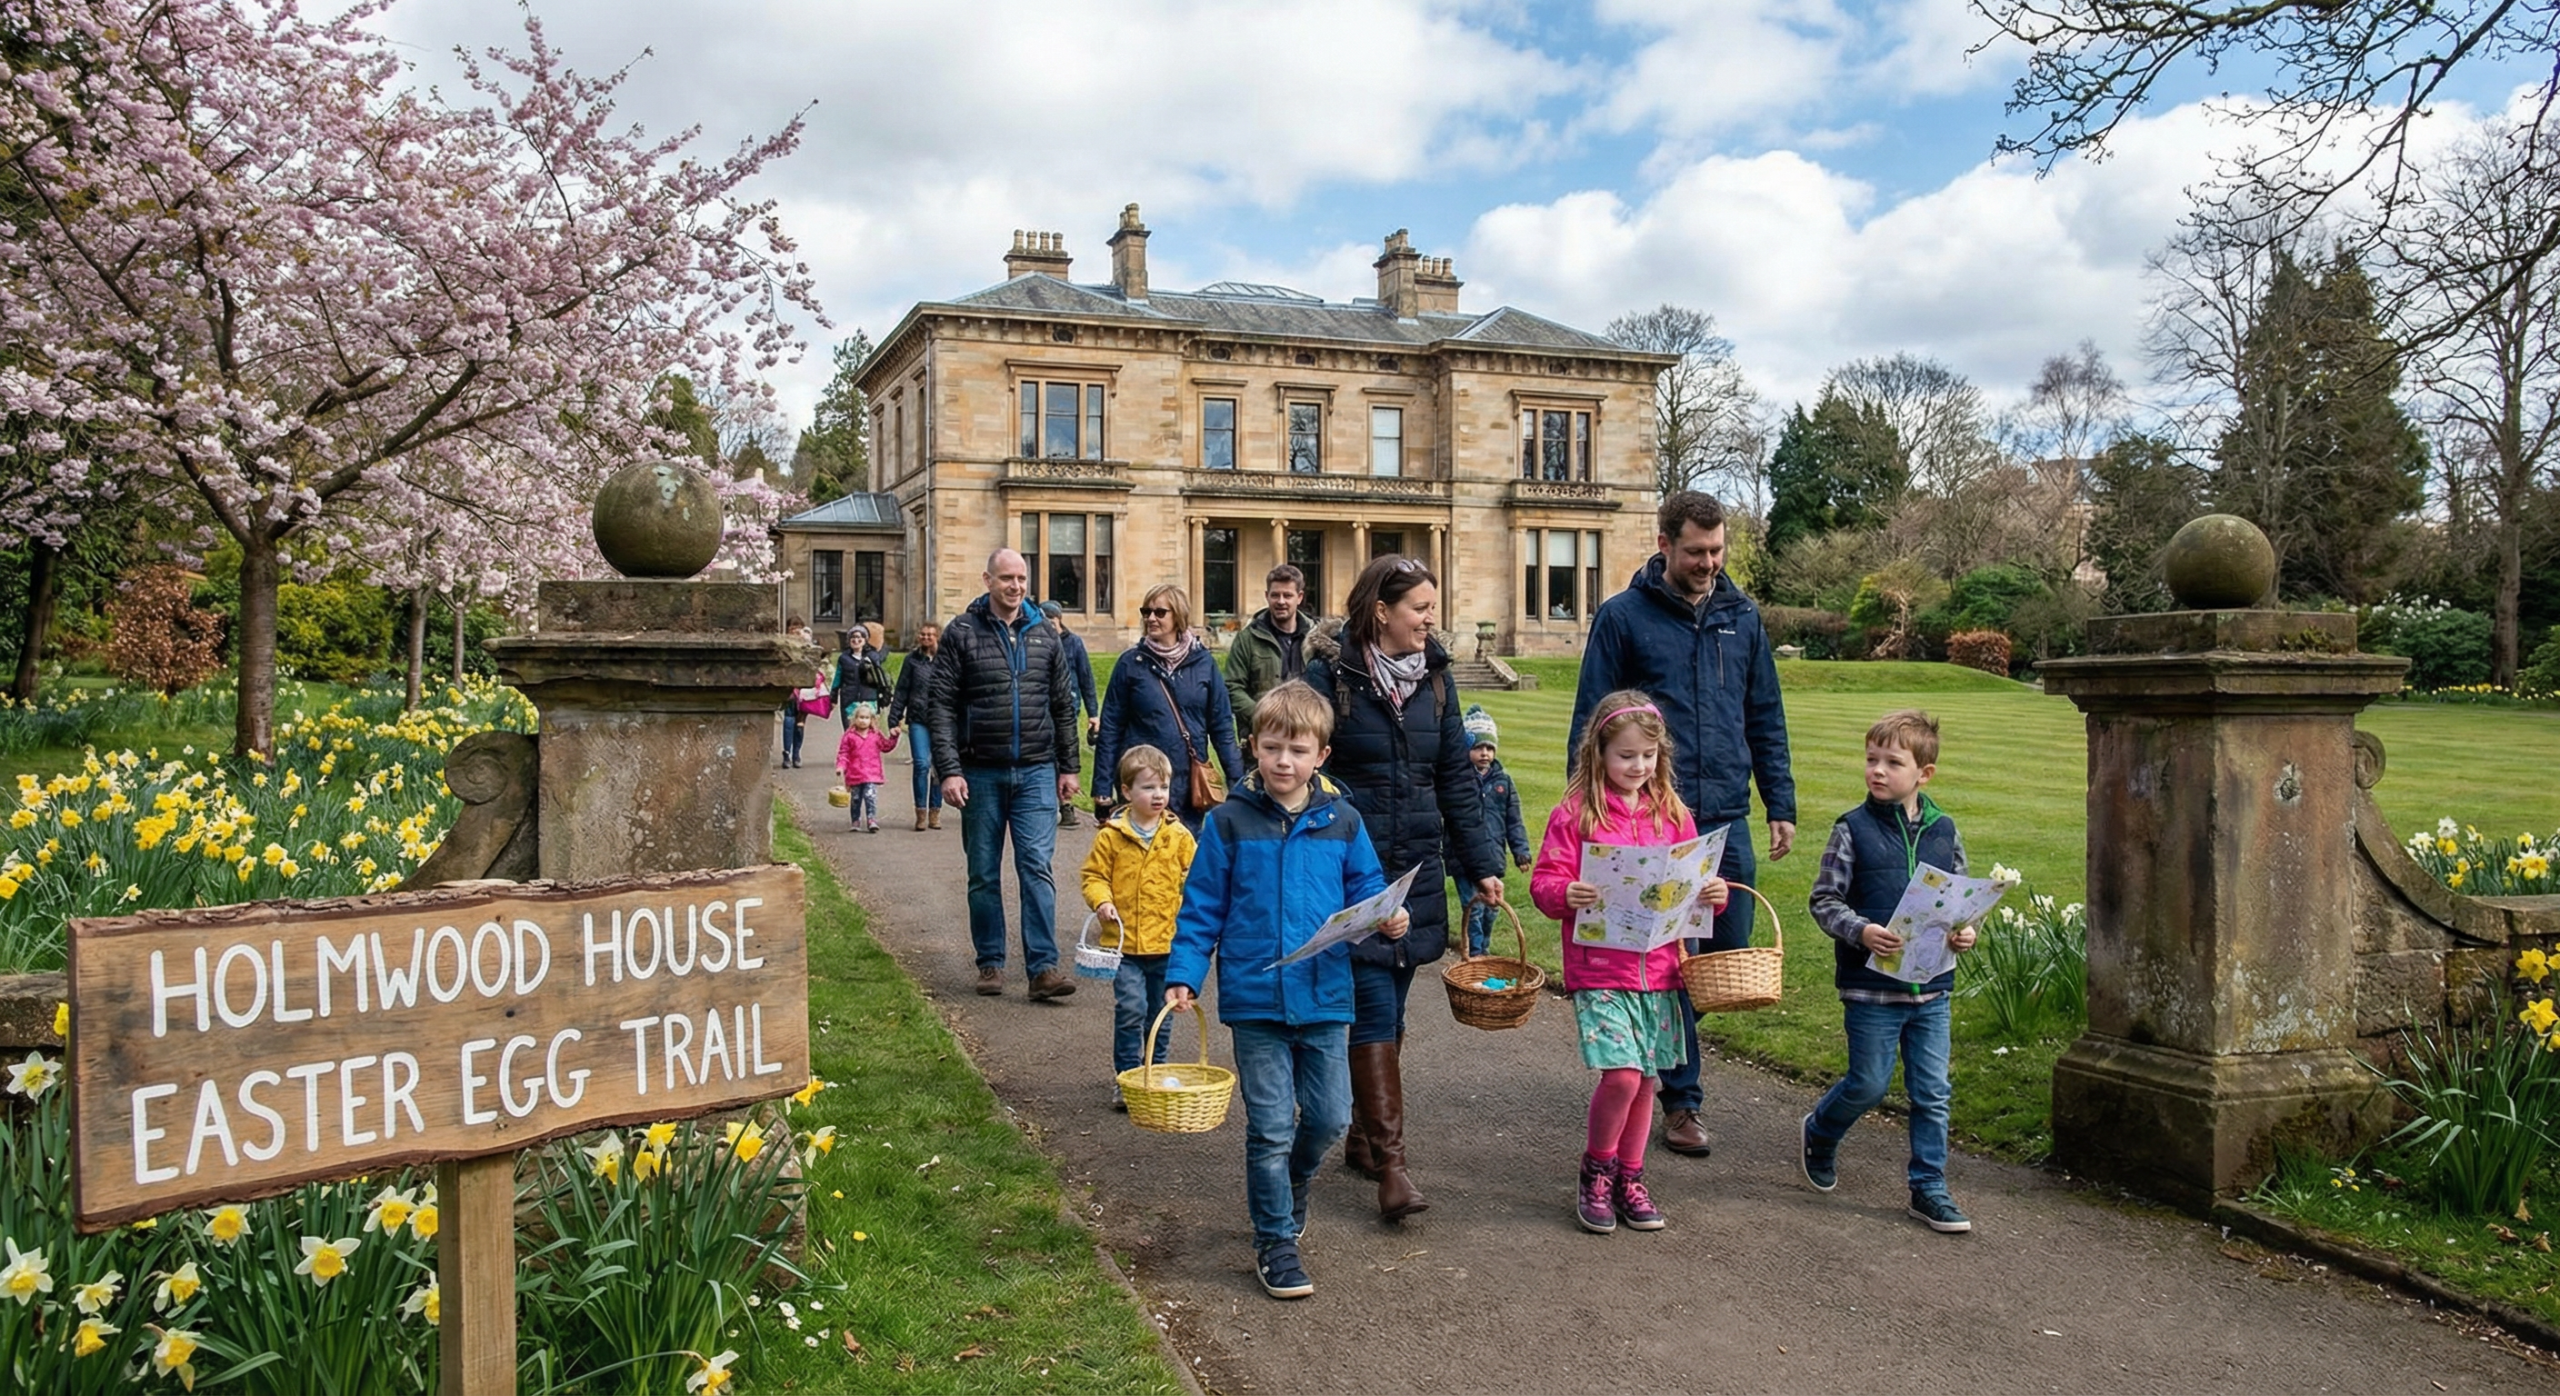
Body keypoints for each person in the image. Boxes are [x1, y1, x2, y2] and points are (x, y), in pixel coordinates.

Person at [1570, 490, 1796, 1160]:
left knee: (1725, 954)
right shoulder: (1623, 617)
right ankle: (1681, 1100)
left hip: (1725, 814)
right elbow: (1593, 719)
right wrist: (1592, 815)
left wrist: (1778, 801)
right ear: (1664, 543)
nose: (1709, 563)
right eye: (1696, 551)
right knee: (1662, 959)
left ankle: (1651, 1054)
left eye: (1718, 550)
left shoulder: (1740, 615)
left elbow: (1765, 713)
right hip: (1653, 819)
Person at [1164, 681, 1404, 1301]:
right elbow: (1201, 908)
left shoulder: (1343, 822)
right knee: (1269, 1126)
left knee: (1329, 1118)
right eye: (1272, 748)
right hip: (1255, 998)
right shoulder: (1227, 823)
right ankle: (1275, 1240)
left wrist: (1388, 916)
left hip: (1325, 994)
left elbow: (1369, 889)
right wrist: (1185, 975)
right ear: (1254, 748)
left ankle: (1294, 1184)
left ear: (1321, 755)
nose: (1284, 762)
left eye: (1298, 750)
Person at [1305, 554, 1505, 1222]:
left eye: (1431, 606)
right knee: (1371, 1009)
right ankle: (1393, 1165)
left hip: (1414, 867)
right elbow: (1293, 766)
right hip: (1349, 871)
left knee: (1389, 1007)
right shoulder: (1329, 677)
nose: (1430, 618)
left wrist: (1481, 866)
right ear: (1381, 611)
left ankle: (1363, 1137)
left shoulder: (1438, 682)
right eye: (1419, 607)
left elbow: (1456, 781)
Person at [1531, 692, 1730, 1234]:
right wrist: (1564, 892)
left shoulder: (1673, 813)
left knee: (1646, 1081)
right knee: (1621, 1075)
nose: (1637, 766)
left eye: (1646, 755)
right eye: (1625, 756)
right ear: (1599, 754)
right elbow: (1545, 883)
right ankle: (1597, 1170)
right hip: (1600, 969)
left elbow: (1695, 886)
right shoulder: (1575, 813)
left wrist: (1714, 893)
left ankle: (1631, 1176)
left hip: (1660, 969)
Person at [1802, 709, 1978, 1235]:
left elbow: (1961, 903)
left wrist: (1964, 933)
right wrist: (1861, 931)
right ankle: (1821, 1130)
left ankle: (1929, 1187)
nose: (1877, 770)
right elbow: (1823, 900)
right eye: (1871, 759)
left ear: (1924, 773)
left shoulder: (1946, 831)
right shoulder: (1851, 829)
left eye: (1892, 762)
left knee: (1932, 1091)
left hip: (1933, 990)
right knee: (1869, 1084)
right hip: (1871, 987)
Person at [925, 549, 1085, 1000]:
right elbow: (940, 706)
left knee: (1036, 866)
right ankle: (991, 962)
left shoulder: (1045, 635)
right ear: (988, 580)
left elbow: (1061, 704)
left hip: (1035, 769)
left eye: (1021, 578)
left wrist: (1069, 766)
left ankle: (1043, 969)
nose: (1015, 586)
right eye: (1006, 578)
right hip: (979, 771)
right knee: (983, 872)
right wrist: (949, 770)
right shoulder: (961, 632)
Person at [1079, 744, 1199, 1110]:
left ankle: (1154, 1072)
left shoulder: (1178, 836)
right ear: (1127, 792)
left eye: (1163, 787)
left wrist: (1187, 903)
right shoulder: (1111, 836)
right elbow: (1093, 875)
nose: (1158, 795)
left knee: (1160, 1016)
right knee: (1131, 1010)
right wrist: (1102, 901)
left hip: (1167, 944)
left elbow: (1196, 878)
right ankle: (1127, 1077)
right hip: (1125, 946)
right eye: (1148, 788)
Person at [1093, 585, 1244, 833]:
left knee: (1185, 862)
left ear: (1178, 616)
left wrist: (1236, 781)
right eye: (1146, 612)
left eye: (1160, 612)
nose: (1151, 618)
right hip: (1141, 781)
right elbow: (1111, 727)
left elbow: (1222, 726)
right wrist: (1102, 788)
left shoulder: (1203, 664)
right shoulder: (1131, 663)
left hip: (1186, 784)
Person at [1460, 705, 1533, 957]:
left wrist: (1521, 851)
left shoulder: (1503, 782)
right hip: (1464, 857)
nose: (1484, 753)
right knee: (1474, 908)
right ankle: (1477, 953)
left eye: (1489, 748)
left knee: (1492, 907)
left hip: (1493, 854)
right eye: (1478, 747)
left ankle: (1484, 948)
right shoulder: (1458, 781)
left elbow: (1514, 820)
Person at [1225, 563, 1315, 746]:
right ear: (1267, 596)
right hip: (1262, 738)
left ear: (1299, 597)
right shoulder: (1247, 639)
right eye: (1275, 595)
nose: (1281, 601)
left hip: (1307, 735)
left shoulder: (1316, 639)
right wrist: (1262, 714)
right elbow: (1232, 686)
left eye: (1287, 595)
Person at [1042, 600, 1101, 829]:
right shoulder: (1039, 641)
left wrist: (1093, 714)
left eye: (1052, 621)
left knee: (1064, 754)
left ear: (1059, 620)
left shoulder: (1074, 643)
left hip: (1068, 709)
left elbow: (1086, 679)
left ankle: (1066, 806)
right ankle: (1049, 804)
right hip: (1040, 709)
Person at [885, 621, 946, 830]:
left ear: (938, 637)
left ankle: (935, 811)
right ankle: (920, 811)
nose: (926, 638)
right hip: (918, 719)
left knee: (939, 768)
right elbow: (901, 690)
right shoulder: (912, 661)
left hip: (941, 721)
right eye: (923, 634)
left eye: (930, 635)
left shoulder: (946, 660)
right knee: (921, 763)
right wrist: (894, 719)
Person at [835, 703, 897, 834]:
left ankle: (871, 819)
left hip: (871, 773)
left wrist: (894, 737)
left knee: (870, 796)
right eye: (860, 717)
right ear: (854, 719)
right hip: (855, 774)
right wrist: (841, 766)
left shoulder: (875, 735)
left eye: (866, 718)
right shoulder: (849, 736)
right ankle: (855, 820)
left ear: (872, 720)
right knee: (856, 799)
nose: (863, 720)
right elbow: (843, 753)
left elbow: (886, 746)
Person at [781, 615, 822, 770]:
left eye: (798, 628)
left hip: (805, 689)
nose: (795, 631)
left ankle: (796, 753)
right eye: (792, 628)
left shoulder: (808, 644)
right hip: (790, 686)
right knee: (788, 719)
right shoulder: (784, 645)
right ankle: (786, 753)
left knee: (800, 722)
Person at [832, 625, 888, 728]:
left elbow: (880, 677)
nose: (856, 640)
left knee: (869, 734)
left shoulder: (873, 656)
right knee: (850, 733)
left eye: (859, 637)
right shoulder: (844, 658)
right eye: (853, 637)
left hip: (869, 699)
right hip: (849, 700)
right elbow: (838, 677)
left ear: (865, 640)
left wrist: (885, 694)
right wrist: (833, 696)